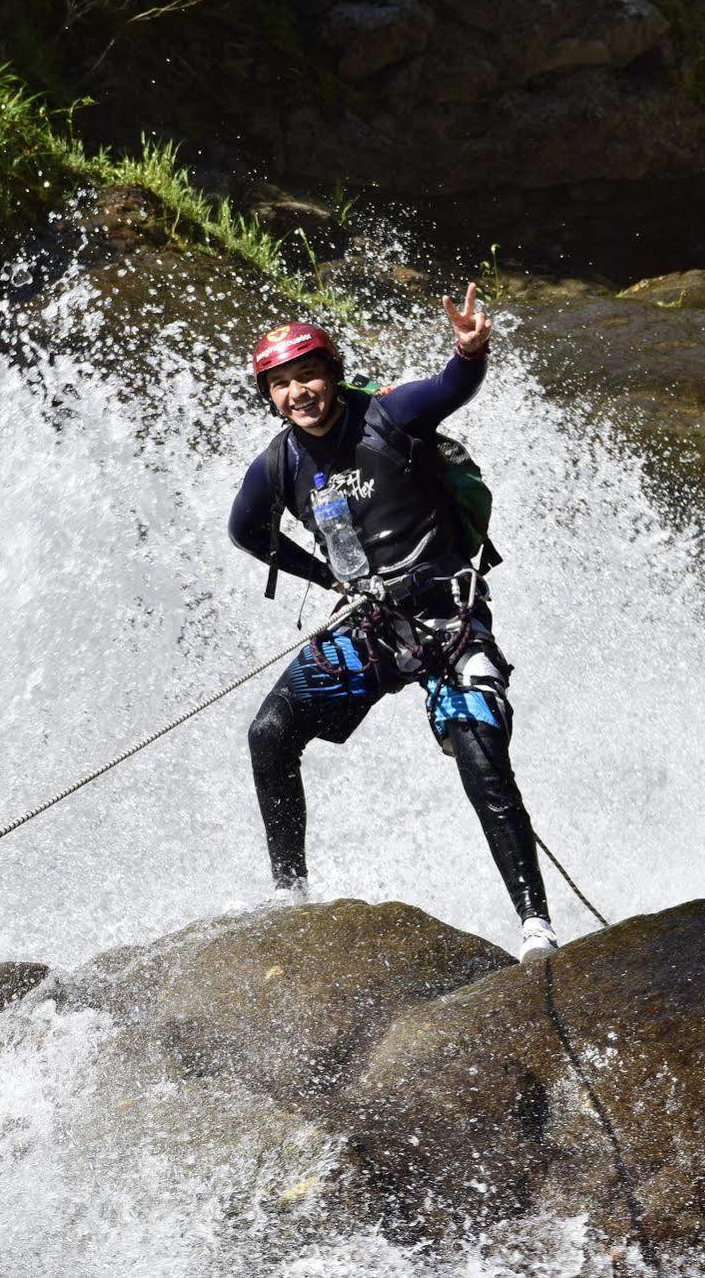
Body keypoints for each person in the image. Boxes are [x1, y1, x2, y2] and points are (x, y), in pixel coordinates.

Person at [227, 285, 559, 964]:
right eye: (282, 384)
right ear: (268, 394)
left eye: (309, 375)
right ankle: (290, 894)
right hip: (370, 628)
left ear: (333, 373)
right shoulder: (278, 463)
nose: (299, 393)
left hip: (446, 618)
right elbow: (245, 532)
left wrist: (470, 350)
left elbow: (449, 387)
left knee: (479, 753)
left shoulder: (388, 416)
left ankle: (535, 925)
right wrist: (325, 578)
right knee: (270, 733)